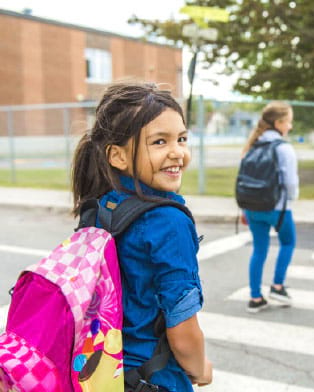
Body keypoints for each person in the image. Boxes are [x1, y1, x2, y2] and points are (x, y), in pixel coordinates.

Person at [71, 81, 212, 391]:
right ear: (118, 156)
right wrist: (201, 369)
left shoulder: (100, 205)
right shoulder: (168, 222)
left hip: (102, 372)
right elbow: (182, 327)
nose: (178, 153)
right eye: (159, 142)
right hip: (154, 377)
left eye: (182, 138)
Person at [242, 101, 299, 313]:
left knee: (259, 249)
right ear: (279, 123)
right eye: (289, 122)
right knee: (288, 242)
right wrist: (291, 200)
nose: (290, 127)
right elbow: (290, 183)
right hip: (278, 208)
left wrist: (243, 210)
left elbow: (244, 179)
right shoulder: (284, 148)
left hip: (252, 207)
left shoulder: (251, 145)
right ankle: (277, 286)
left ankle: (255, 297)